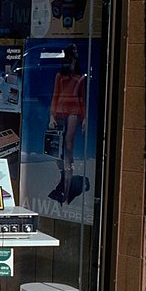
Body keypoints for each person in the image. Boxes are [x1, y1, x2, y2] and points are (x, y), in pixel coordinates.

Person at [47, 43, 87, 204]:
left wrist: (84, 118)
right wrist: (51, 115)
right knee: (55, 147)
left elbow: (82, 98)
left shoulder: (80, 76)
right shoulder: (60, 75)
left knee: (68, 144)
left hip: (73, 110)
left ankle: (69, 169)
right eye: (74, 51)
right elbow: (55, 96)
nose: (76, 53)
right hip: (60, 109)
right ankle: (63, 172)